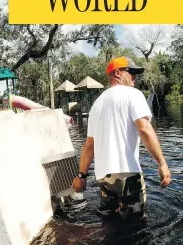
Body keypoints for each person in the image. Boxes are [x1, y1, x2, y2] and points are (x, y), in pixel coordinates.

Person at [72, 56, 171, 220]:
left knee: (110, 223)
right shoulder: (133, 94)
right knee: (135, 225)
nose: (135, 77)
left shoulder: (97, 104)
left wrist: (81, 176)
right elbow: (145, 129)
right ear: (117, 73)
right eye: (131, 72)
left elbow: (89, 145)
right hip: (127, 172)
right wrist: (162, 164)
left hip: (104, 177)